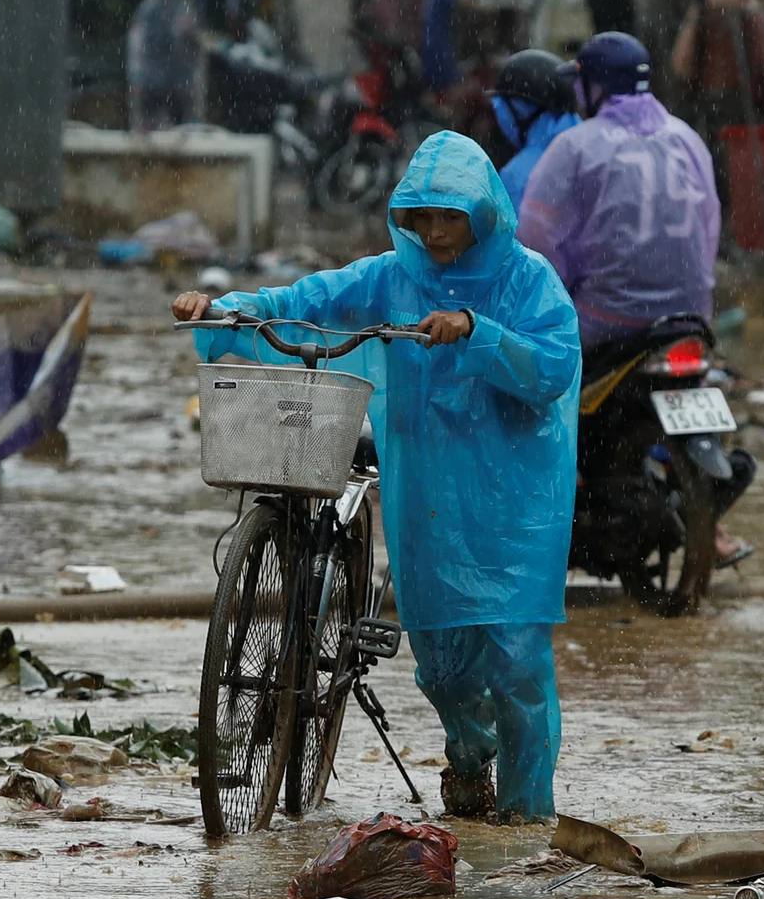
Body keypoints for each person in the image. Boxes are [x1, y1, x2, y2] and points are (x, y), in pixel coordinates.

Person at [173, 130, 579, 823]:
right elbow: (309, 300)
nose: (435, 232)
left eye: (450, 216)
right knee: (443, 664)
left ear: (483, 213)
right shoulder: (392, 275)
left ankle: (526, 822)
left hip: (513, 507)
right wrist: (224, 310)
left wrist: (478, 330)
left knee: (516, 664)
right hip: (425, 499)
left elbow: (552, 367)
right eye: (422, 216)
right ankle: (469, 756)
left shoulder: (528, 279)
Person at [519, 32, 751, 565]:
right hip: (689, 319)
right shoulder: (687, 137)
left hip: (605, 321)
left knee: (531, 388)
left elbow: (537, 244)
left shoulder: (574, 147)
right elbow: (710, 230)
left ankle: (555, 499)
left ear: (595, 86)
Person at [669, 0, 764, 137]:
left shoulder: (703, 6)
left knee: (711, 143)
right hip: (742, 95)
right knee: (740, 146)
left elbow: (682, 59)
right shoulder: (748, 6)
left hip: (709, 91)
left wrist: (689, 80)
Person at [489, 49, 579, 210]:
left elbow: (515, 234)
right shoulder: (596, 148)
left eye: (501, 109)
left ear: (520, 110)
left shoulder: (519, 175)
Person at [127, 0, 202, 133]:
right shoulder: (183, 9)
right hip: (176, 85)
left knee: (148, 131)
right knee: (180, 133)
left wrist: (136, 80)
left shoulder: (144, 10)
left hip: (153, 84)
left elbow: (135, 51)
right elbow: (194, 46)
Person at [420, 0, 471, 94]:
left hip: (432, 39)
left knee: (435, 84)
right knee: (447, 84)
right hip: (438, 41)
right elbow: (462, 2)